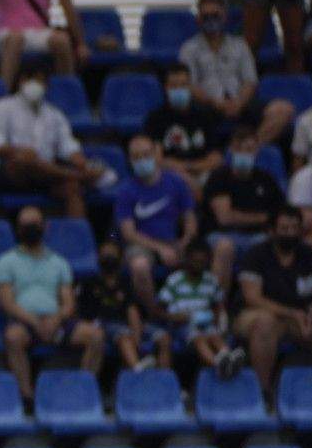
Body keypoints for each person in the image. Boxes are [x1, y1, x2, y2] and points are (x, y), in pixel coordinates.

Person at [0, 204, 104, 399]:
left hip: (56, 322)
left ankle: (81, 391)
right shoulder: (6, 262)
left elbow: (68, 302)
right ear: (19, 229)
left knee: (96, 336)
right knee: (12, 337)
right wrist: (34, 321)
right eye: (26, 225)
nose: (31, 229)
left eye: (35, 224)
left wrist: (56, 319)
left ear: (44, 227)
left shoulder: (59, 262)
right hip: (25, 323)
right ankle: (26, 395)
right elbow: (7, 303)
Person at [0, 68, 105, 218]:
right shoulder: (1, 108)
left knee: (73, 189)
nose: (33, 84)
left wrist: (81, 161)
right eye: (28, 79)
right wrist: (20, 151)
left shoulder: (54, 114)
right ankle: (77, 175)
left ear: (46, 85)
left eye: (38, 80)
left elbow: (68, 146)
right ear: (20, 82)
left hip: (46, 176)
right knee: (25, 159)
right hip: (11, 176)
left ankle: (75, 236)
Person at [180, 0, 295, 151]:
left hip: (240, 103)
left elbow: (250, 81)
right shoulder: (188, 49)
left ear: (224, 17)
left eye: (215, 15)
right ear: (198, 19)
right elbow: (188, 84)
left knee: (284, 110)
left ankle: (248, 149)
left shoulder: (240, 46)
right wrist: (215, 103)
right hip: (207, 106)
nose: (211, 20)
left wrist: (239, 103)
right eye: (206, 16)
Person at [233, 205, 312, 390]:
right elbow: (252, 298)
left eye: (295, 228)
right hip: (259, 314)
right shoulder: (255, 255)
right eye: (284, 228)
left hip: (302, 318)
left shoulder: (311, 255)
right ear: (271, 230)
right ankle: (262, 393)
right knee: (265, 323)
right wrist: (292, 313)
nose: (290, 233)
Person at [114, 135, 197, 309]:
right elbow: (128, 233)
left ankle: (194, 310)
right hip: (142, 244)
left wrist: (186, 242)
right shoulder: (125, 190)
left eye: (146, 155)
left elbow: (190, 218)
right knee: (139, 266)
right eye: (136, 157)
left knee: (198, 258)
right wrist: (160, 249)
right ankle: (154, 313)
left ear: (156, 154)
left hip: (173, 240)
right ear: (130, 160)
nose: (142, 160)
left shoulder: (176, 182)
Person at [202, 126, 288, 291]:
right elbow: (225, 218)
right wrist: (262, 217)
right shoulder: (219, 177)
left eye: (249, 149)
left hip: (257, 236)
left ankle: (265, 301)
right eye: (239, 148)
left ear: (257, 151)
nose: (244, 153)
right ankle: (219, 308)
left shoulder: (266, 179)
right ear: (232, 150)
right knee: (224, 246)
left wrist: (262, 220)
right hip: (222, 234)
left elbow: (278, 214)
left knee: (268, 244)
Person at [154, 239, 237, 375]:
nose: (199, 265)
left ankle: (229, 358)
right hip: (181, 327)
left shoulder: (211, 280)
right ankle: (218, 364)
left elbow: (217, 305)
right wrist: (176, 317)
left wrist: (218, 320)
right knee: (199, 339)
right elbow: (158, 311)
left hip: (205, 324)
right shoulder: (174, 281)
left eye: (202, 262)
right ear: (187, 260)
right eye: (195, 261)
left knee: (215, 337)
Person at [144, 64, 225, 194]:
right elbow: (158, 160)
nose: (179, 89)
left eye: (183, 85)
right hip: (170, 176)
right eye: (174, 86)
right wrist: (185, 177)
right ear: (166, 88)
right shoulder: (156, 118)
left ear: (190, 86)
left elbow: (216, 158)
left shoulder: (205, 115)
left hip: (202, 173)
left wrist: (189, 167)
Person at [79, 242, 152, 371]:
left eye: (112, 255)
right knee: (122, 334)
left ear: (120, 258)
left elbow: (132, 309)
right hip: (101, 324)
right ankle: (138, 369)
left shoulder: (125, 283)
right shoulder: (89, 283)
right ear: (98, 257)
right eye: (105, 255)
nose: (109, 258)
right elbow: (83, 313)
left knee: (162, 336)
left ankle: (166, 381)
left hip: (124, 323)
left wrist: (137, 334)